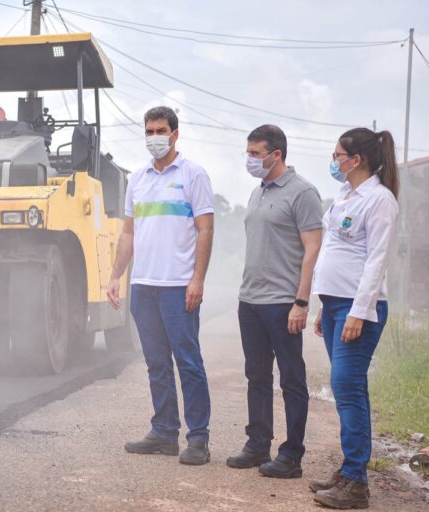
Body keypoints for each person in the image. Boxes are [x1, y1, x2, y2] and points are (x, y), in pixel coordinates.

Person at [107, 106, 214, 466]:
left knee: (188, 361)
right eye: (149, 130)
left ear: (175, 134)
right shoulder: (136, 179)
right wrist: (116, 275)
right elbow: (127, 232)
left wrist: (197, 279)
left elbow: (205, 229)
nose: (154, 137)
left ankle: (198, 438)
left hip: (177, 285)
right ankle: (164, 432)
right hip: (144, 285)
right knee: (155, 362)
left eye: (161, 130)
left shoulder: (193, 175)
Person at [309, 128, 399, 509]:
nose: (334, 162)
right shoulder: (346, 195)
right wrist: (321, 306)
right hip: (334, 305)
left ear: (355, 159)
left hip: (357, 308)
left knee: (346, 389)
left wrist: (359, 312)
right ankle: (350, 471)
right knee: (350, 390)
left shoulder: (379, 199)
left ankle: (356, 482)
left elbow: (376, 260)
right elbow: (334, 251)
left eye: (337, 155)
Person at [226, 125, 322, 478]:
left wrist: (301, 301)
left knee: (292, 378)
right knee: (256, 375)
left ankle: (292, 454)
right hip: (249, 299)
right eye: (248, 153)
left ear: (276, 154)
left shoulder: (303, 193)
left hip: (282, 302)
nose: (250, 159)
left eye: (255, 153)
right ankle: (257, 444)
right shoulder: (258, 192)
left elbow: (313, 249)